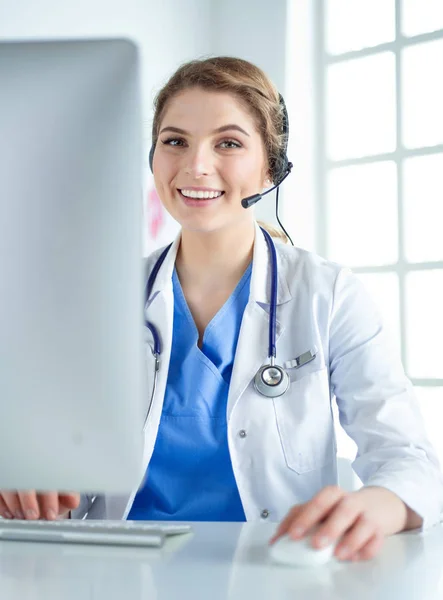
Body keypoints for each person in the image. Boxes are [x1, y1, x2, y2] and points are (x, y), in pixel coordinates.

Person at [1, 56, 442, 563]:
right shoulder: (102, 298)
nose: (196, 165)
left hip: (273, 571)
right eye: (175, 141)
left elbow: (409, 459)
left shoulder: (329, 295)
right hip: (118, 568)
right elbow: (45, 450)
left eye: (228, 143)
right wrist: (27, 477)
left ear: (270, 166)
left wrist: (376, 505)